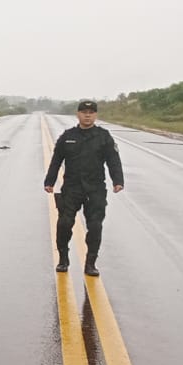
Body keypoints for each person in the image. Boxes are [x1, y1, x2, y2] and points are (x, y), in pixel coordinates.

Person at [44, 100, 124, 276]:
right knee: (65, 223)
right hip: (72, 187)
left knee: (95, 226)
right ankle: (63, 259)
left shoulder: (103, 136)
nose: (87, 115)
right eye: (84, 112)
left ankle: (91, 263)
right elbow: (57, 160)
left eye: (91, 112)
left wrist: (118, 180)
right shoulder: (68, 136)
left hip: (95, 188)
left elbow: (113, 160)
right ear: (78, 114)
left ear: (95, 115)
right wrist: (49, 181)